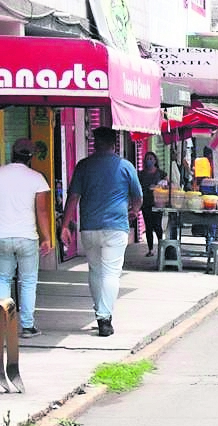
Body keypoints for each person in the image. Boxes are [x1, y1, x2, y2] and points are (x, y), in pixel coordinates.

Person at [59, 126, 143, 338]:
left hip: (90, 227)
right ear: (115, 143)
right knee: (112, 273)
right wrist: (133, 211)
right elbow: (138, 196)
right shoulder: (126, 166)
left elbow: (73, 198)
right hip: (116, 227)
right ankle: (105, 318)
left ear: (94, 143)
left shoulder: (84, 166)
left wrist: (65, 226)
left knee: (96, 270)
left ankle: (100, 313)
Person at [0, 138, 52, 338]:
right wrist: (46, 237)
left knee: (3, 278)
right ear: (30, 157)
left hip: (2, 236)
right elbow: (42, 212)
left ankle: (4, 323)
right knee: (28, 281)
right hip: (27, 237)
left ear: (12, 152)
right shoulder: (36, 178)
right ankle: (28, 326)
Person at [138, 151, 167, 257]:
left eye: (151, 158)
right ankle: (150, 249)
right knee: (148, 227)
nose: (149, 160)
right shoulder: (141, 174)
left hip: (157, 203)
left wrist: (160, 186)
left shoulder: (160, 173)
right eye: (147, 158)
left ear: (155, 160)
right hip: (146, 203)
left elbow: (168, 184)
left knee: (157, 226)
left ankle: (161, 246)